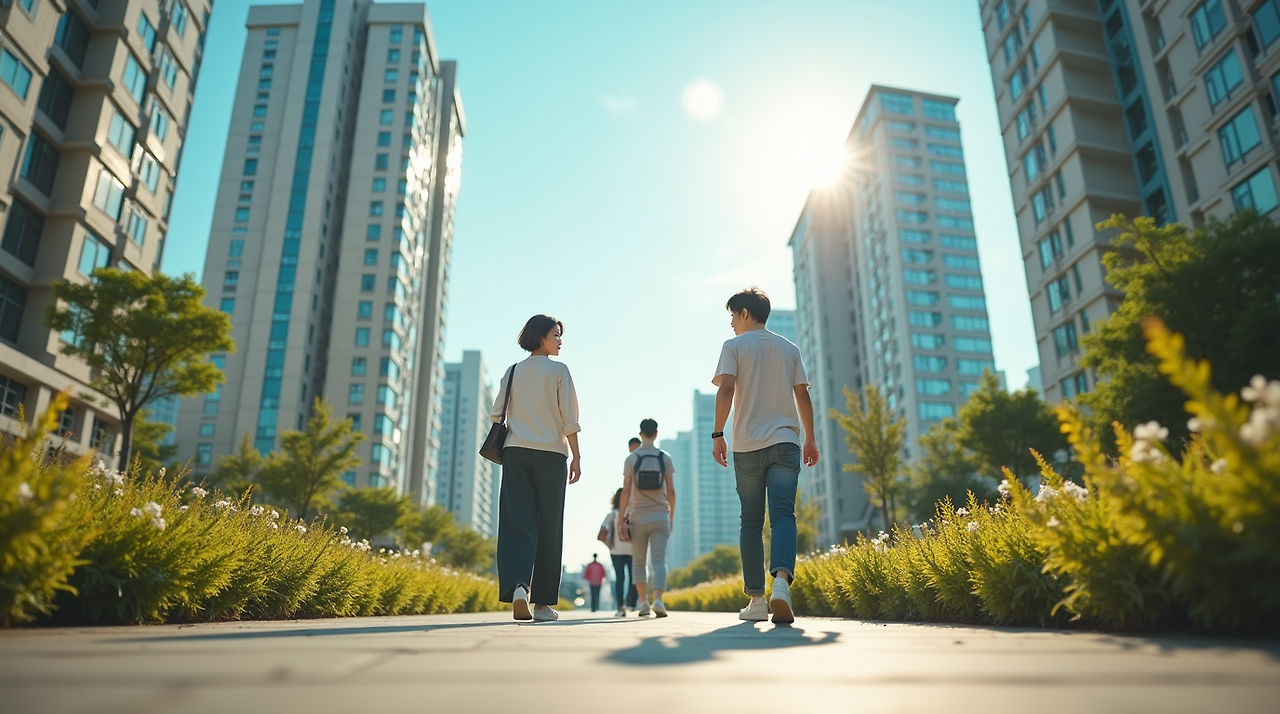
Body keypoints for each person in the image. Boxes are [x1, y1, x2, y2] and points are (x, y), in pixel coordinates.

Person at [711, 288, 818, 625]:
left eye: (732, 315)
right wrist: (810, 438)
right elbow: (802, 395)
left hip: (747, 446)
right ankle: (782, 582)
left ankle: (757, 600)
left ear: (744, 313)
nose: (731, 323)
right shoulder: (789, 348)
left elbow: (726, 390)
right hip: (786, 441)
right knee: (784, 515)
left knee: (751, 522)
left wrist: (717, 434)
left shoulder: (734, 347)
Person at [493, 314, 582, 623]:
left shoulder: (512, 371)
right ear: (539, 336)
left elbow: (496, 414)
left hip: (515, 453)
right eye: (555, 334)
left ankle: (519, 587)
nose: (560, 340)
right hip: (551, 455)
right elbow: (570, 419)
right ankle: (542, 605)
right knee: (549, 527)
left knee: (517, 523)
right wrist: (577, 456)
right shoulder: (559, 370)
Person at [618, 418, 676, 618]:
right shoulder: (665, 458)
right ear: (656, 433)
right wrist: (671, 516)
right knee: (659, 560)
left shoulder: (632, 458)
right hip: (660, 515)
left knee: (639, 562)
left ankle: (643, 603)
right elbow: (671, 491)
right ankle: (658, 600)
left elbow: (626, 491)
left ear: (641, 434)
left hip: (638, 518)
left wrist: (620, 519)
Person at [600, 488, 637, 616]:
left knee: (619, 578)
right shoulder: (632, 513)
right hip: (632, 550)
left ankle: (620, 606)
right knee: (634, 577)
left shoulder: (612, 514)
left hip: (616, 551)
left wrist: (610, 545)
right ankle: (632, 603)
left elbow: (602, 533)